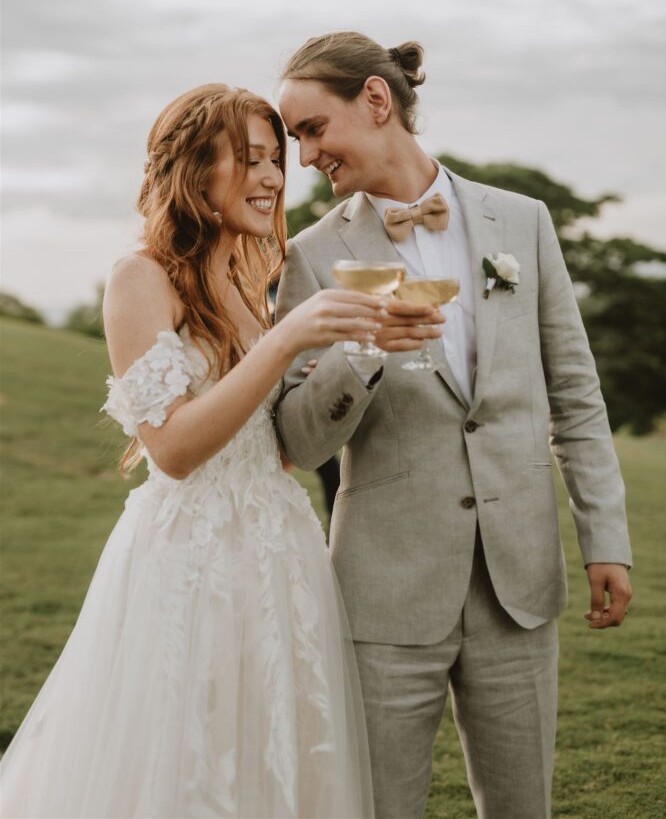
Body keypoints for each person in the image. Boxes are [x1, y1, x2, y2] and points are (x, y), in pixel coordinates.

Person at [274, 32, 634, 819]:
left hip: (520, 585)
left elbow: (575, 391)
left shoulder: (523, 222)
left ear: (375, 99)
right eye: (296, 138)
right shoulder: (307, 256)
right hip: (383, 592)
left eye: (311, 129)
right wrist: (361, 353)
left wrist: (605, 538)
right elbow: (299, 442)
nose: (304, 157)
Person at [0, 83, 381, 819]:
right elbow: (173, 449)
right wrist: (283, 342)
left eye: (276, 160)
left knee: (282, 747)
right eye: (250, 159)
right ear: (193, 169)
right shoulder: (140, 278)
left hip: (277, 550)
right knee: (186, 755)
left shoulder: (250, 280)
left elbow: (277, 446)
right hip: (188, 560)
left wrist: (359, 351)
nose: (273, 178)